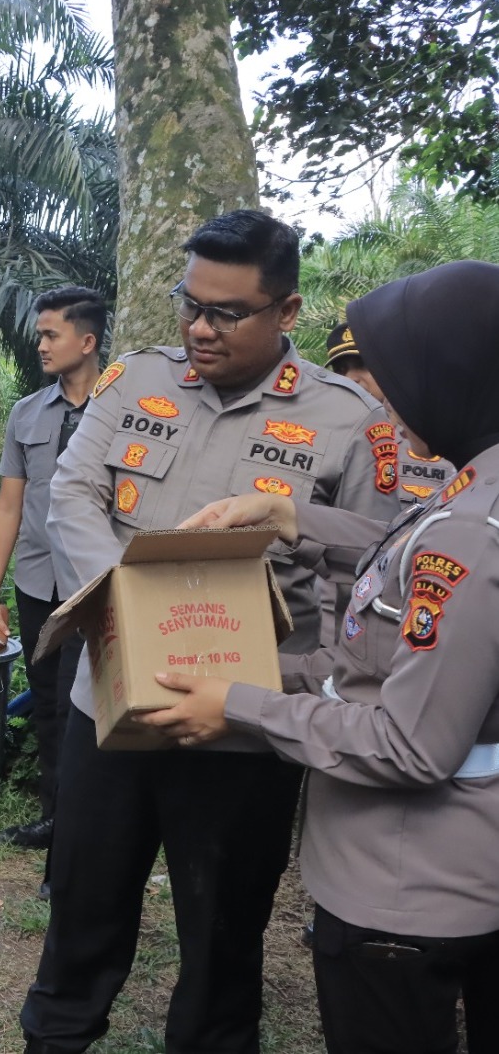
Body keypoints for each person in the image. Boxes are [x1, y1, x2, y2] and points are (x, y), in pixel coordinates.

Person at [20, 209, 403, 1054]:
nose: (199, 328)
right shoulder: (134, 380)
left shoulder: (348, 421)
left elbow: (371, 570)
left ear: (288, 312)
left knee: (223, 941)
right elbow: (74, 492)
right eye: (189, 304)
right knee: (82, 916)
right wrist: (124, 603)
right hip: (110, 705)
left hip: (242, 728)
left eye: (227, 312)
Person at [141, 259, 499, 1054]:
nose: (381, 397)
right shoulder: (472, 490)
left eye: (397, 375)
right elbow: (400, 560)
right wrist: (289, 517)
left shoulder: (472, 530)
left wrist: (238, 706)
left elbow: (410, 743)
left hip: (406, 894)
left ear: (457, 375)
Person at [0, 286, 104, 893]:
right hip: (36, 579)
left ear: (87, 340)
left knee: (86, 707)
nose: (41, 345)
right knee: (48, 703)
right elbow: (9, 506)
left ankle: (83, 837)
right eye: (40, 335)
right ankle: (55, 819)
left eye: (52, 334)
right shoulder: (27, 413)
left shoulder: (128, 410)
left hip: (98, 585)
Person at [325, 321, 455, 504]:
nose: (350, 378)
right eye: (340, 370)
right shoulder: (327, 438)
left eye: (362, 364)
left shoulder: (433, 441)